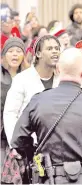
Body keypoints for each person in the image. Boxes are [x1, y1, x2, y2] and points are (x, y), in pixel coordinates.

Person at [10, 48, 82, 184]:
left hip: (50, 179)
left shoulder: (38, 101)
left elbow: (18, 141)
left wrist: (33, 154)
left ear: (57, 69)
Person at [3, 35, 60, 147]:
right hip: (29, 146)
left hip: (57, 146)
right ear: (38, 54)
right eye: (49, 49)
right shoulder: (22, 79)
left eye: (57, 48)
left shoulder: (62, 78)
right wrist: (15, 145)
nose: (55, 52)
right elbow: (10, 113)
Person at [1, 37, 27, 171]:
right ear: (4, 54)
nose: (15, 54)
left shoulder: (29, 76)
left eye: (18, 51)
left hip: (22, 132)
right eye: (10, 51)